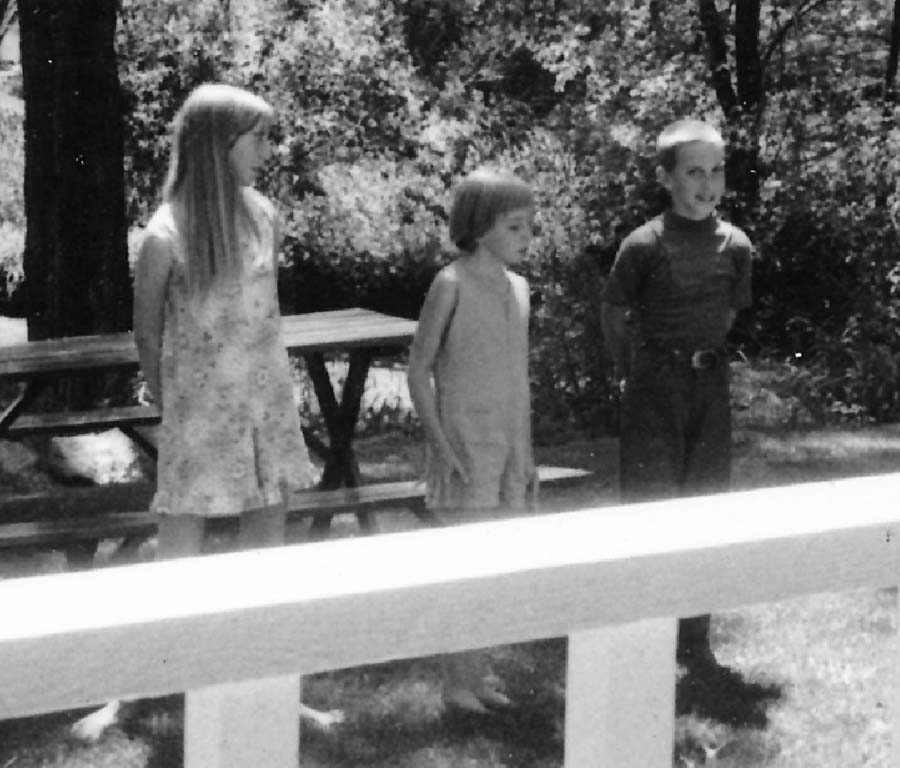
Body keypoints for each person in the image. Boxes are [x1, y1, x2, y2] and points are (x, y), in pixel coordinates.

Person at [72, 83, 340, 741]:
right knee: (180, 555)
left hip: (265, 407)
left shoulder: (262, 215)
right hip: (199, 414)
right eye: (258, 139)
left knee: (264, 556)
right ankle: (139, 689)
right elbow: (147, 333)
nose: (267, 152)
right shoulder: (165, 234)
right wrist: (173, 404)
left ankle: (270, 686)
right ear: (218, 143)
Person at [601, 119, 777, 726]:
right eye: (694, 172)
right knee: (652, 509)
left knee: (705, 507)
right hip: (655, 386)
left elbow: (728, 313)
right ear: (666, 178)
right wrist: (639, 373)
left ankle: (696, 645)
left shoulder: (737, 246)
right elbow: (615, 312)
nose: (707, 183)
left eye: (716, 170)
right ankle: (642, 638)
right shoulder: (643, 245)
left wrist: (701, 364)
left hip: (710, 387)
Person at [407, 168, 536, 714]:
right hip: (464, 446)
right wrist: (440, 443)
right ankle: (455, 682)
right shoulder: (451, 284)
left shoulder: (519, 290)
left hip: (508, 447)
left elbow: (517, 378)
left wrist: (527, 455)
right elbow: (418, 370)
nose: (526, 236)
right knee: (465, 569)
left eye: (531, 225)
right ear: (480, 228)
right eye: (514, 226)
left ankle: (479, 674)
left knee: (496, 569)